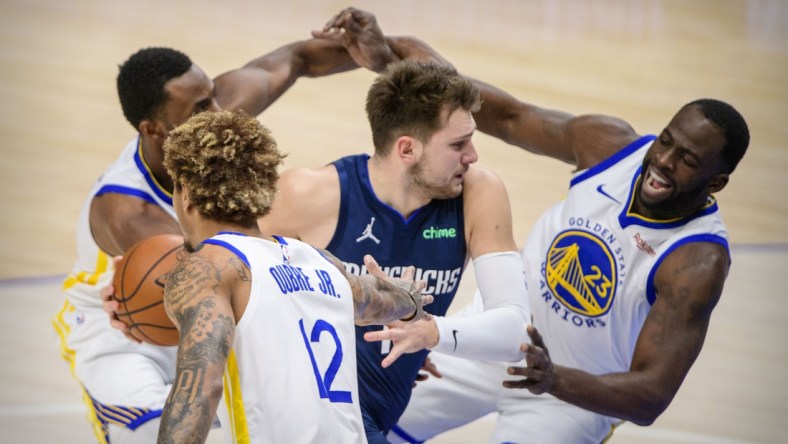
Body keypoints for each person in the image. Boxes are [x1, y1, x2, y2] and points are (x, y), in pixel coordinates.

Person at [314, 8, 751, 443]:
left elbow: (650, 396)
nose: (663, 162)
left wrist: (553, 379)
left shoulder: (697, 261)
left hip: (570, 395)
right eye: (665, 141)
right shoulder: (608, 146)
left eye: (687, 160)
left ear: (716, 182)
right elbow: (506, 115)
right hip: (488, 339)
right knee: (365, 428)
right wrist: (389, 57)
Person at [52, 39, 360, 443]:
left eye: (212, 95)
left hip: (202, 310)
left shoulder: (210, 127)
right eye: (200, 109)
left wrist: (379, 51)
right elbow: (245, 266)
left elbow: (297, 59)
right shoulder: (126, 209)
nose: (217, 114)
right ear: (153, 129)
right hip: (124, 339)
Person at [257, 59, 531, 442]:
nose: (472, 155)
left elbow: (516, 333)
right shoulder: (309, 194)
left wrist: (431, 333)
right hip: (305, 416)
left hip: (374, 415)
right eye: (458, 144)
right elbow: (223, 274)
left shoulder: (477, 193)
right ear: (407, 149)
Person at [157, 109, 432, 444]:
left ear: (185, 194)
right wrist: (410, 301)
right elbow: (379, 299)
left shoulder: (208, 267)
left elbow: (200, 389)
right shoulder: (319, 262)